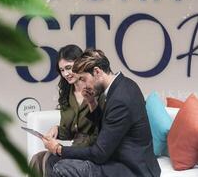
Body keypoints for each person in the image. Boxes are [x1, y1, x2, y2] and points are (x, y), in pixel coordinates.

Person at [43, 49, 161, 177]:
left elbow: (99, 154)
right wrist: (92, 102)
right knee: (52, 161)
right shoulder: (122, 85)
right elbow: (107, 128)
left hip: (132, 169)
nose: (83, 85)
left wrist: (59, 149)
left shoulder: (120, 99)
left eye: (83, 79)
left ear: (97, 72)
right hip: (117, 160)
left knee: (63, 167)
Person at [29, 45, 101, 177]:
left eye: (68, 67)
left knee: (49, 160)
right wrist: (57, 130)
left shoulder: (96, 91)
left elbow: (100, 132)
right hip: (74, 149)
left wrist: (64, 150)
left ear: (80, 63)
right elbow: (69, 132)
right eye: (62, 70)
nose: (66, 74)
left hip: (91, 149)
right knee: (37, 159)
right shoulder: (67, 93)